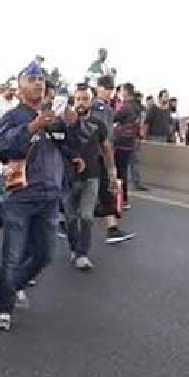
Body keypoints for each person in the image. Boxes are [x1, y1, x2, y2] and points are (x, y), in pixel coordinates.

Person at [0, 60, 84, 332]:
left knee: (45, 253)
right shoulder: (12, 116)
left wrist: (73, 126)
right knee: (13, 254)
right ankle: (4, 309)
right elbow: (3, 148)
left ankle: (16, 284)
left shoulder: (54, 115)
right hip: (20, 195)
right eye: (31, 79)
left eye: (41, 79)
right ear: (20, 86)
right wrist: (32, 127)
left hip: (49, 194)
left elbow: (70, 142)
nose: (38, 83)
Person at [64, 84, 117, 270]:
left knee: (86, 216)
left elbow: (106, 149)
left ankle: (82, 254)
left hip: (92, 176)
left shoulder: (98, 125)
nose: (81, 103)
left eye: (85, 99)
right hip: (69, 178)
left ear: (91, 102)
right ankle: (74, 248)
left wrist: (112, 173)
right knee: (71, 217)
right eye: (78, 99)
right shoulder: (64, 123)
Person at [91, 76, 135, 244]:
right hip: (97, 154)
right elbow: (102, 134)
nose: (108, 93)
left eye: (110, 89)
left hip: (99, 153)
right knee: (95, 190)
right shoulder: (99, 108)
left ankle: (112, 228)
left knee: (104, 191)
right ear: (99, 88)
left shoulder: (104, 108)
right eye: (106, 89)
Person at [112, 82, 140, 209]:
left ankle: (121, 199)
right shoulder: (137, 106)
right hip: (131, 141)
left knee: (120, 171)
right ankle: (123, 199)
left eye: (121, 91)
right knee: (124, 170)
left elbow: (113, 117)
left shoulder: (126, 107)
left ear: (126, 92)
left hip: (121, 142)